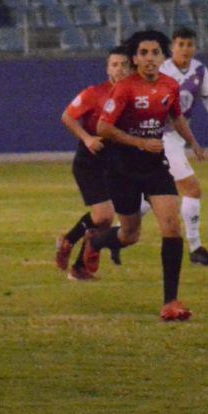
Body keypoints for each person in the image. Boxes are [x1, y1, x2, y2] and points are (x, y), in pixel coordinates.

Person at [96, 30, 206, 320]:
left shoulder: (170, 86)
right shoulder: (124, 89)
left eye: (155, 52)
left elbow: (175, 116)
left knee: (172, 226)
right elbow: (103, 128)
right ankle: (94, 242)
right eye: (143, 53)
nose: (149, 58)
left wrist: (193, 143)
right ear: (135, 58)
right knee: (130, 234)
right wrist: (140, 142)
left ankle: (171, 302)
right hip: (122, 168)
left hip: (155, 166)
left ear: (163, 56)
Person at [55, 45, 132, 281]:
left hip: (113, 163)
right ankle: (68, 240)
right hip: (89, 161)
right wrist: (87, 138)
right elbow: (67, 116)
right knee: (103, 216)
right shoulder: (95, 93)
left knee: (106, 220)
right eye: (114, 64)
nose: (119, 69)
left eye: (124, 65)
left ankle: (78, 268)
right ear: (108, 68)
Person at [161, 26, 208, 266]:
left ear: (195, 47)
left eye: (189, 45)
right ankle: (195, 247)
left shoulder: (200, 70)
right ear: (172, 47)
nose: (185, 49)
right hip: (162, 138)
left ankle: (110, 238)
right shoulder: (162, 69)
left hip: (177, 138)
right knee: (192, 189)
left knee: (148, 200)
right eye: (180, 45)